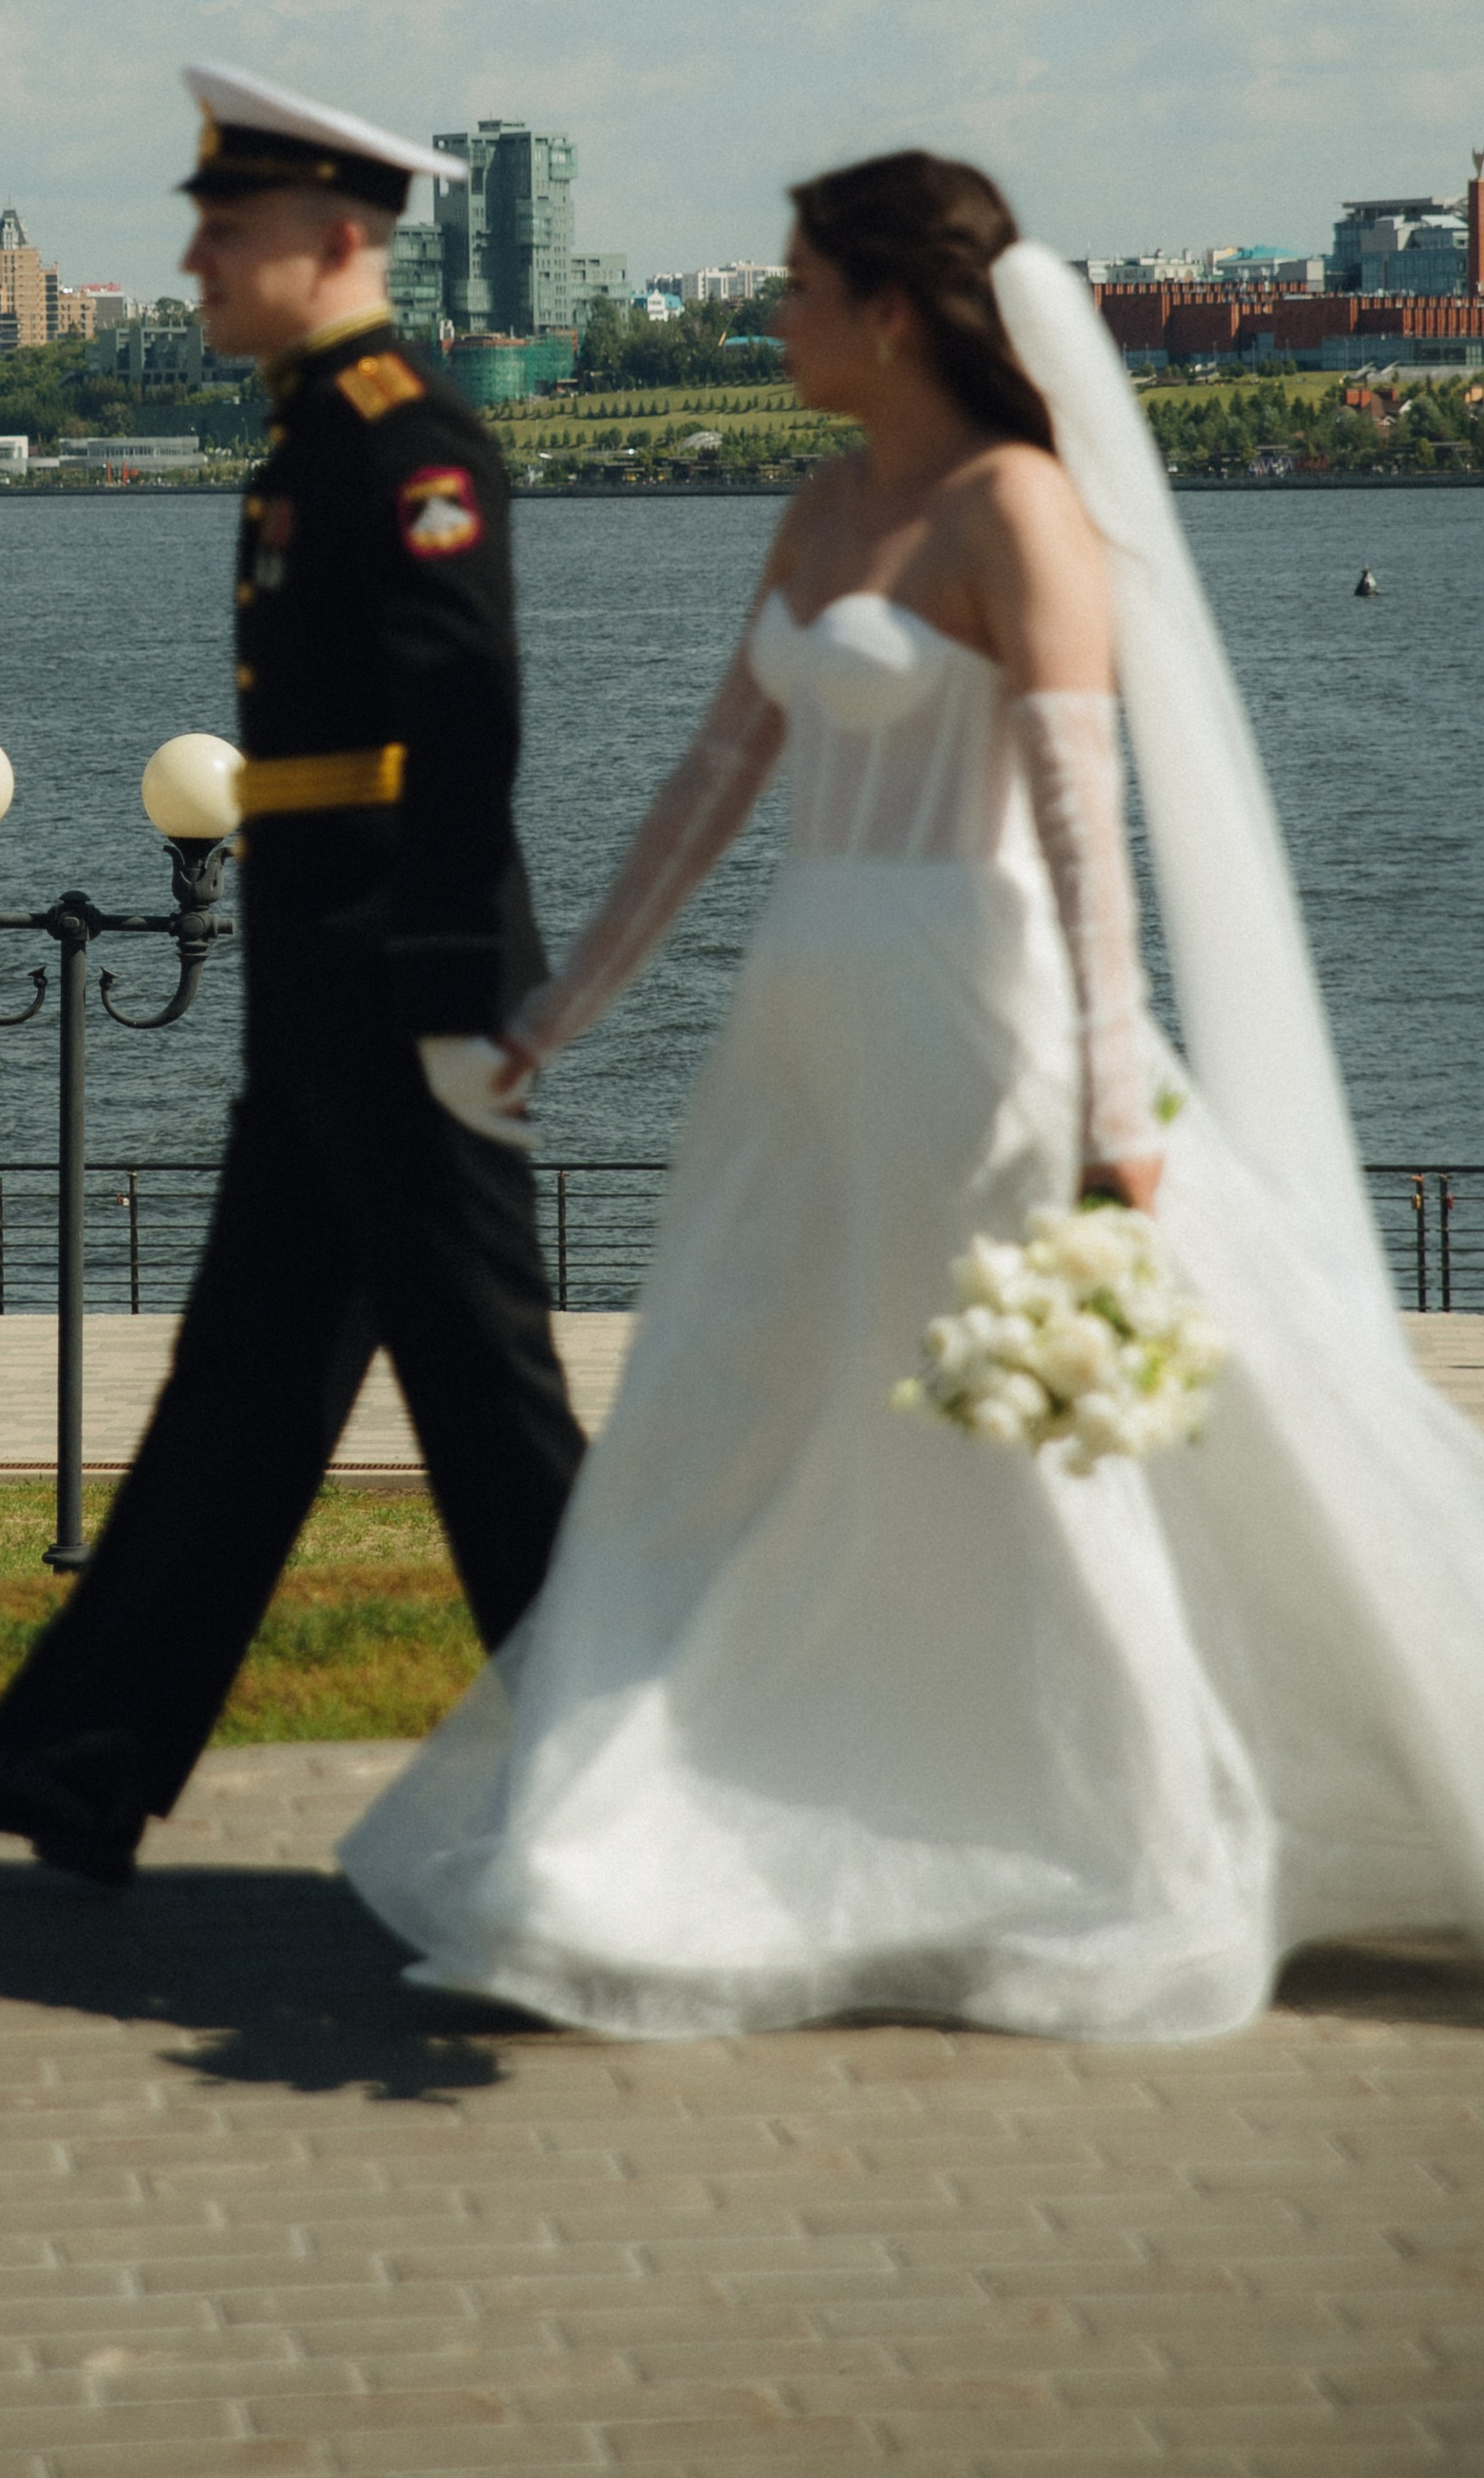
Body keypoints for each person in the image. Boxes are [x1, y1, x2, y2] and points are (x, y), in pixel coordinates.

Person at [344, 148, 1484, 2042]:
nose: (764, 314)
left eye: (791, 284)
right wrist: (556, 1016)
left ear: (888, 307)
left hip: (986, 1020)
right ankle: (636, 1841)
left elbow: (1076, 832)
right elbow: (708, 792)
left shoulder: (1013, 510)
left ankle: (1133, 1835)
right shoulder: (813, 508)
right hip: (803, 1025)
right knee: (739, 1406)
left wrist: (1113, 1107)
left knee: (1032, 1453)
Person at [0, 63, 587, 1882]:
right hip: (323, 965)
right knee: (244, 1382)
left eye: (226, 224)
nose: (191, 254)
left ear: (337, 239)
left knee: (488, 1405)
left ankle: (640, 1767)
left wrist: (435, 976)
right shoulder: (310, 432)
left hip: (400, 968)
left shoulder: (406, 434)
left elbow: (467, 714)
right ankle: (85, 1758)